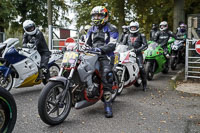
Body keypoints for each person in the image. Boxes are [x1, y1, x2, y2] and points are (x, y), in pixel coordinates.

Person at [85, 6, 118, 118]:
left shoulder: (111, 28)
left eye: (99, 15)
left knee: (107, 75)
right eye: (94, 15)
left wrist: (100, 49)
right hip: (92, 54)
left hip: (106, 56)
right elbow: (86, 43)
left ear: (105, 16)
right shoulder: (91, 29)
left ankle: (108, 105)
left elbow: (112, 44)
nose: (96, 17)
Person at [121, 21, 148, 92]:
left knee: (141, 67)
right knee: (121, 64)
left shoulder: (141, 35)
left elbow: (145, 45)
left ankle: (144, 84)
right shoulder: (127, 35)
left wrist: (138, 50)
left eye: (134, 27)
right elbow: (123, 44)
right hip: (128, 53)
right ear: (129, 28)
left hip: (138, 54)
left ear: (137, 28)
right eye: (132, 27)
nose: (133, 29)